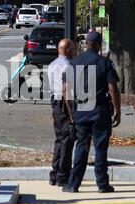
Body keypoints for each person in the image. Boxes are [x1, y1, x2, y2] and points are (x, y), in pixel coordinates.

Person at [62, 32, 121, 193]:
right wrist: (118, 110)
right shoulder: (105, 63)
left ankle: (74, 184)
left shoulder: (73, 63)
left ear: (86, 43)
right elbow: (113, 88)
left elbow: (66, 91)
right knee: (101, 149)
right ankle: (102, 184)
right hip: (100, 110)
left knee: (81, 147)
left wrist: (71, 113)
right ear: (99, 44)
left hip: (81, 110)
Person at [47, 39, 76, 187]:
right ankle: (62, 175)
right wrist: (71, 113)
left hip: (55, 101)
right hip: (64, 102)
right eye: (74, 49)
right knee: (67, 139)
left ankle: (55, 173)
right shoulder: (68, 65)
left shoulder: (52, 65)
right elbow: (67, 91)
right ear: (69, 50)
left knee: (59, 138)